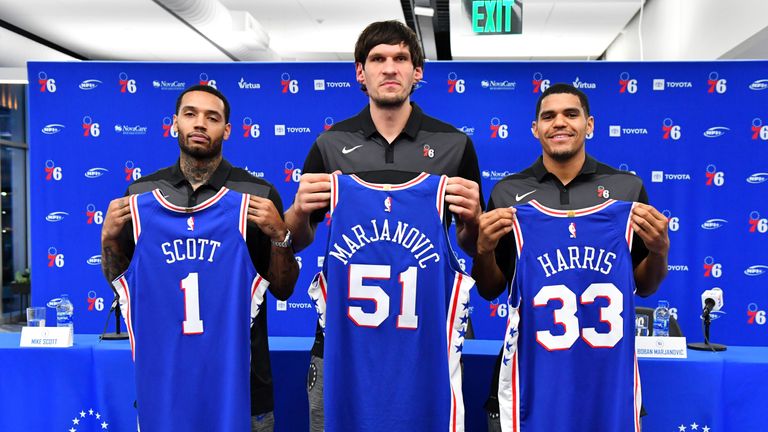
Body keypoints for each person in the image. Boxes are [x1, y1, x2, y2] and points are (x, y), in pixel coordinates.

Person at [283, 20, 484, 431]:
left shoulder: (454, 144)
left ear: (417, 71)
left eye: (400, 58)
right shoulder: (330, 144)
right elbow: (299, 238)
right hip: (341, 347)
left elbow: (468, 243)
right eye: (378, 59)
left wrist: (475, 221)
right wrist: (299, 213)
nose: (389, 68)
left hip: (425, 346)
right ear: (361, 72)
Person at [100, 84, 299, 432]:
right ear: (174, 122)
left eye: (213, 117)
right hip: (167, 386)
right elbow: (121, 282)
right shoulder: (142, 194)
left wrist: (281, 236)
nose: (200, 124)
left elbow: (283, 290)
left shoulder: (257, 195)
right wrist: (108, 239)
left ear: (227, 130)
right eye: (190, 114)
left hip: (244, 387)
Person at [472, 83, 669, 431]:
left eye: (570, 114)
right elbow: (491, 289)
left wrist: (659, 251)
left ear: (589, 124)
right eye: (548, 116)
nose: (559, 122)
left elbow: (645, 285)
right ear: (536, 129)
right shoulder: (509, 193)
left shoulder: (626, 189)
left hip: (608, 378)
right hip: (532, 374)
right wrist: (484, 251)